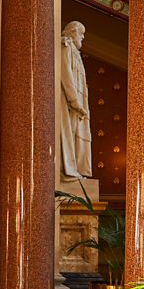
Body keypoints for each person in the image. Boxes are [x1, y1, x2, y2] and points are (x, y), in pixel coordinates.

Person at [60, 20, 93, 179]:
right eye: (81, 34)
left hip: (77, 105)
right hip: (70, 103)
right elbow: (66, 74)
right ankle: (69, 170)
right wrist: (75, 102)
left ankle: (76, 170)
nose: (83, 37)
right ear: (72, 32)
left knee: (77, 137)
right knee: (69, 136)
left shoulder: (76, 53)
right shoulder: (65, 45)